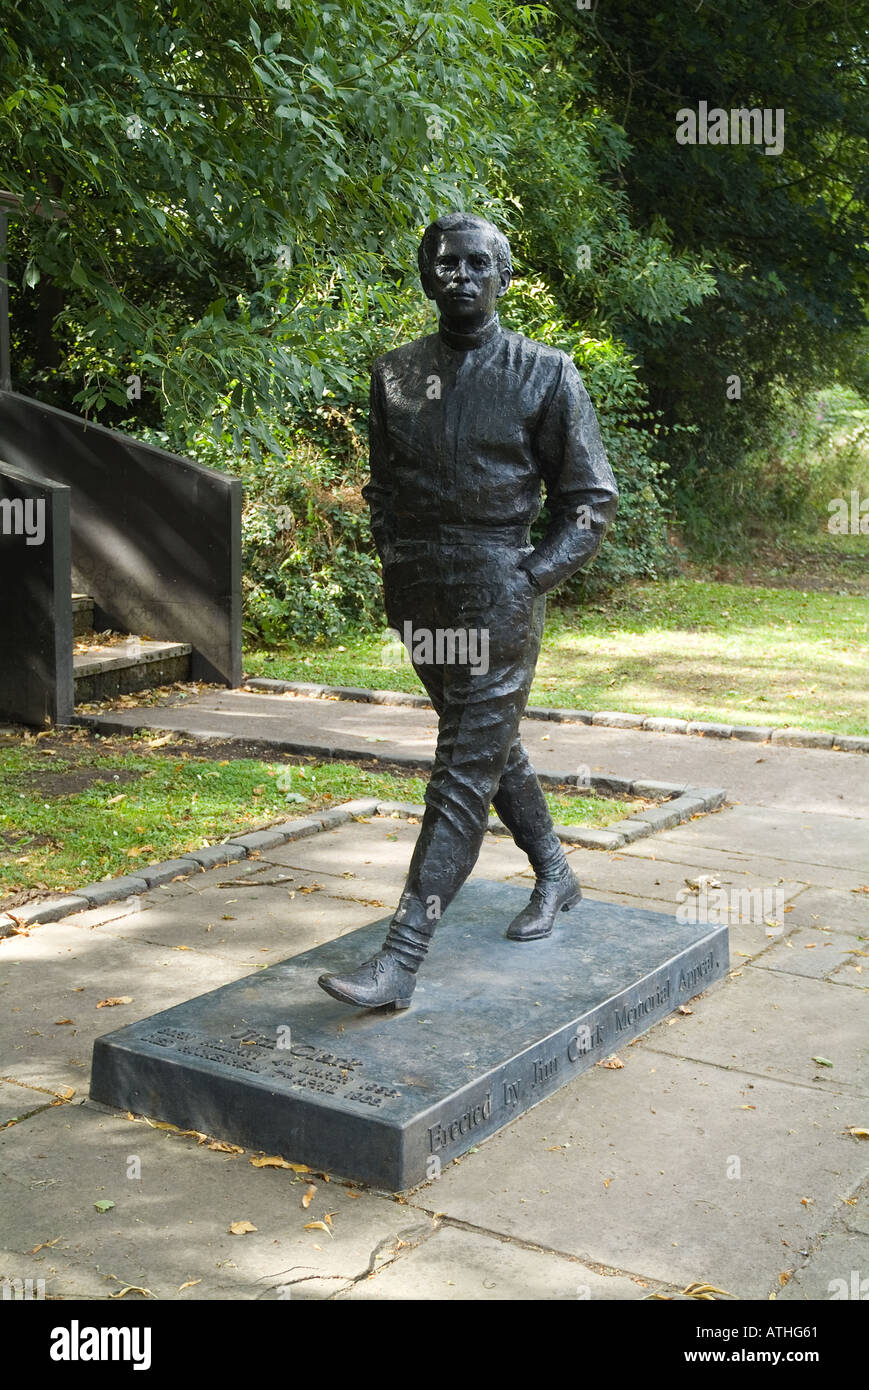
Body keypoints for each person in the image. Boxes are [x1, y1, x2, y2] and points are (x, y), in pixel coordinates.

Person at [318, 212, 618, 1011]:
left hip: (499, 588)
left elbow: (589, 502)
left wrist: (530, 577)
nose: (459, 276)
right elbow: (381, 488)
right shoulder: (394, 372)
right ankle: (555, 873)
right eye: (445, 264)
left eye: (475, 264)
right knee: (487, 748)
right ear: (426, 274)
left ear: (502, 276)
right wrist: (393, 558)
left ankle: (400, 960)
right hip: (420, 591)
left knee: (457, 773)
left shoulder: (545, 373)